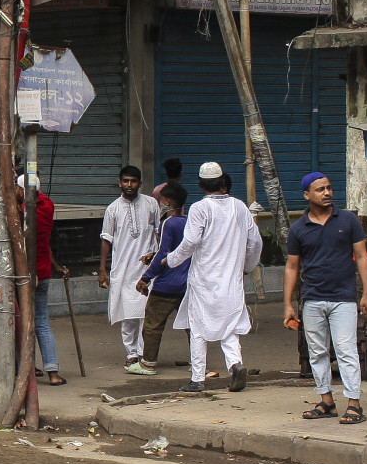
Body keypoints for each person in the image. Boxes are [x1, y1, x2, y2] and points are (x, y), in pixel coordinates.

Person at [285, 172, 367, 426]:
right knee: (317, 352)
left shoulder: (348, 220)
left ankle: (354, 403)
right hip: (312, 299)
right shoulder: (298, 228)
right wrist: (288, 304)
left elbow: (361, 257)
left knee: (346, 350)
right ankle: (327, 401)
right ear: (307, 195)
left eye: (329, 188)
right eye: (320, 189)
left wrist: (366, 293)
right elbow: (292, 267)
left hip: (343, 299)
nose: (327, 193)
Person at [163, 162, 260, 393]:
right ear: (223, 182)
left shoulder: (199, 208)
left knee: (198, 327)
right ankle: (235, 365)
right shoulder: (240, 207)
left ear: (200, 184)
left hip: (204, 279)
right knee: (230, 327)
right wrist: (247, 266)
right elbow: (255, 242)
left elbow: (191, 242)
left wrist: (171, 259)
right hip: (231, 280)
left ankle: (198, 378)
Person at [100, 164, 162, 369]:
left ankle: (144, 353)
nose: (129, 185)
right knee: (127, 315)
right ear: (119, 183)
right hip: (123, 268)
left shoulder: (151, 204)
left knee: (146, 313)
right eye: (126, 181)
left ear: (140, 183)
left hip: (147, 269)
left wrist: (158, 256)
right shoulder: (113, 209)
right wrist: (103, 270)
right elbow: (106, 239)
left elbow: (158, 232)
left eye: (133, 181)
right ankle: (132, 353)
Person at [132, 180, 190, 375]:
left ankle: (148, 362)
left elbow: (164, 253)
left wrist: (146, 278)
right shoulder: (190, 222)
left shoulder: (168, 223)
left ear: (166, 200)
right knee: (192, 324)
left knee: (152, 325)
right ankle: (200, 361)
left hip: (167, 283)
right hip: (188, 283)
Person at [21, 175, 64, 385]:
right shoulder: (47, 205)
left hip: (27, 273)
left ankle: (27, 368)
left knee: (25, 322)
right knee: (41, 321)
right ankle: (52, 371)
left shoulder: (24, 212)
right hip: (44, 270)